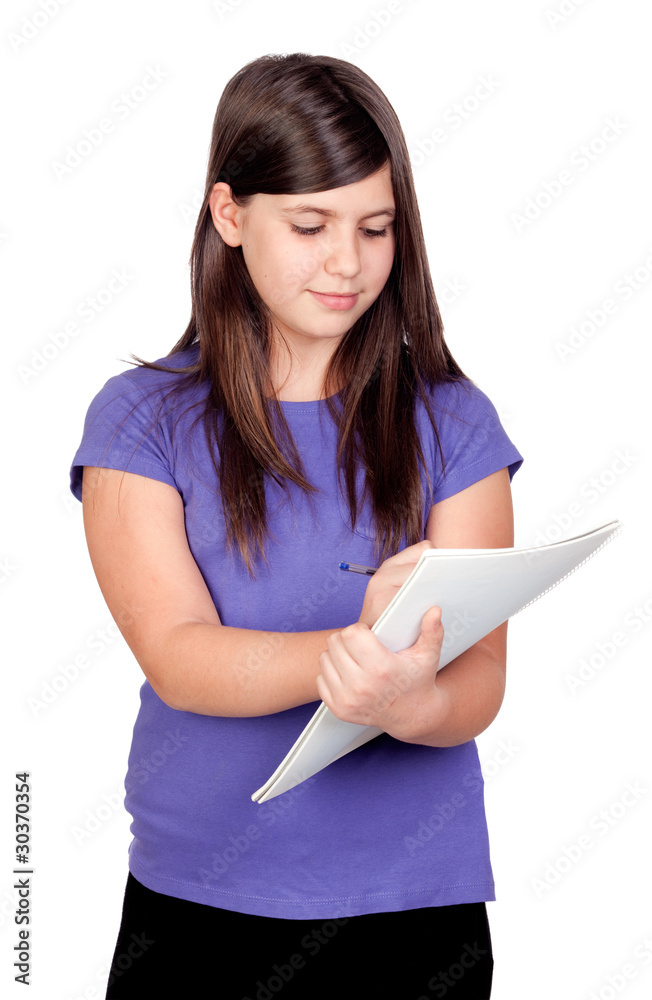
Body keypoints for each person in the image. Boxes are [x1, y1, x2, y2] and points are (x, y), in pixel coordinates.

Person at [70, 52, 522, 998]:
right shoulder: (140, 420)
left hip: (414, 916)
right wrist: (368, 649)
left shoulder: (454, 420)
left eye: (375, 227)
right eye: (310, 225)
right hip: (198, 911)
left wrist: (410, 706)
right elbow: (179, 656)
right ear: (229, 214)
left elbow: (478, 681)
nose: (347, 262)